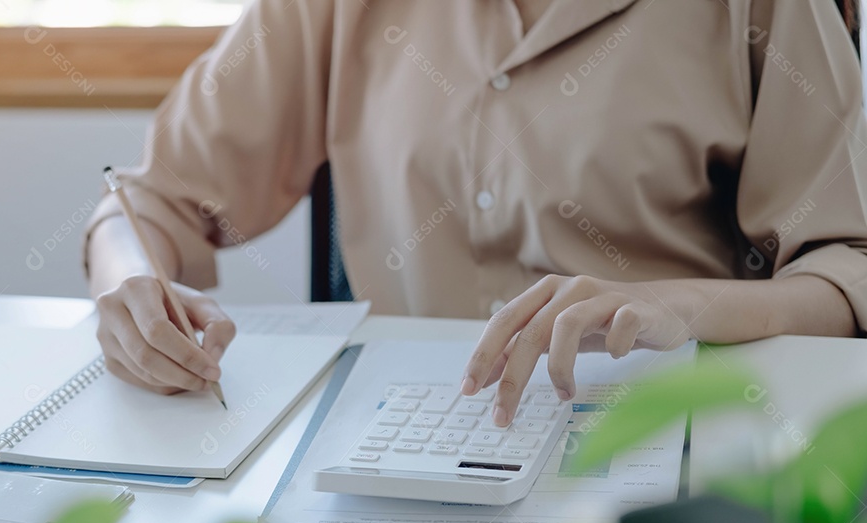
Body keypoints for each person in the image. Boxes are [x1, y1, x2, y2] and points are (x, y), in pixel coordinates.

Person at [84, 0, 867, 428]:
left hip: (662, 437)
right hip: (401, 446)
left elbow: (849, 270)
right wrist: (128, 288)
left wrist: (681, 303)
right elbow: (151, 202)